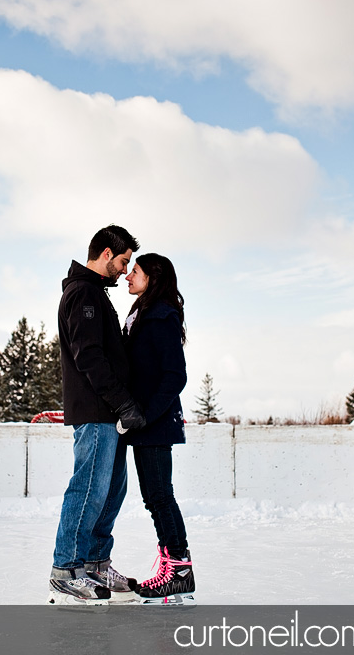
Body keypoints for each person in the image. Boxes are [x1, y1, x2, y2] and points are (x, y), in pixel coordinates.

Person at [48, 224, 146, 605]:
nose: (125, 271)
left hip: (111, 414)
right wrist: (121, 401)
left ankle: (94, 563)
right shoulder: (83, 293)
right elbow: (88, 355)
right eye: (123, 262)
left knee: (111, 491)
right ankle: (65, 569)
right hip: (96, 412)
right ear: (106, 253)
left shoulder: (96, 294)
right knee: (88, 488)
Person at [120, 253, 195, 604]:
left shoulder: (161, 315)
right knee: (156, 498)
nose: (127, 276)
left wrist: (146, 416)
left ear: (153, 277)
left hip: (155, 423)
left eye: (134, 271)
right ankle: (174, 567)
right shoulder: (143, 313)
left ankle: (179, 570)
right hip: (146, 422)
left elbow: (174, 376)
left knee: (160, 497)